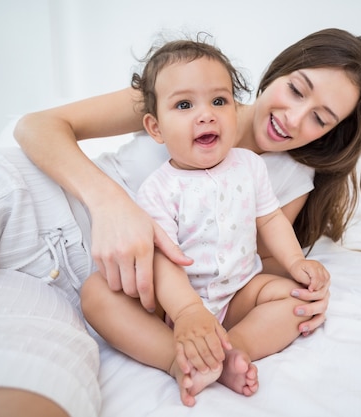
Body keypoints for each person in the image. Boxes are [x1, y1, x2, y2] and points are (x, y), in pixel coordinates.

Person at [0, 28, 361, 416]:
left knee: (31, 397)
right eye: (296, 89)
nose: (293, 117)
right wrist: (113, 205)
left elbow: (255, 264)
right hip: (20, 200)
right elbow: (36, 126)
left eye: (320, 118)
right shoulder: (187, 89)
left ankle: (207, 357)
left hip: (71, 293)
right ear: (277, 73)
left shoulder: (287, 175)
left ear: (332, 133)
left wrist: (304, 285)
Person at [80, 38, 331, 407]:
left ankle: (234, 350)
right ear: (155, 128)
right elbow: (162, 257)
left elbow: (272, 219)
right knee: (96, 294)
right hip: (170, 306)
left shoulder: (250, 166)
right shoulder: (159, 189)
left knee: (298, 301)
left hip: (239, 294)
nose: (206, 114)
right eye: (184, 104)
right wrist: (185, 312)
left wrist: (297, 263)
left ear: (235, 108)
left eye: (219, 101)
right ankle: (175, 359)